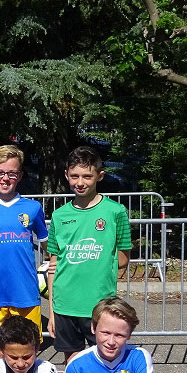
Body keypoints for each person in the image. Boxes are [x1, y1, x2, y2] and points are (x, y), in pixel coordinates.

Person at [46, 146, 131, 358]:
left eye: (87, 176)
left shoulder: (115, 212)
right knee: (73, 364)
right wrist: (52, 311)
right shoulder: (59, 215)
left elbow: (122, 259)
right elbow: (53, 266)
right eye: (74, 176)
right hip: (65, 305)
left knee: (106, 361)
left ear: (99, 176)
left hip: (100, 305)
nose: (80, 182)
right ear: (66, 175)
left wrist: (96, 262)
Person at [0, 144, 48, 331]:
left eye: (12, 173)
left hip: (26, 293)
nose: (5, 179)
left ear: (19, 176)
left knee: (27, 350)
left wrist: (55, 267)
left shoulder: (33, 208)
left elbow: (48, 246)